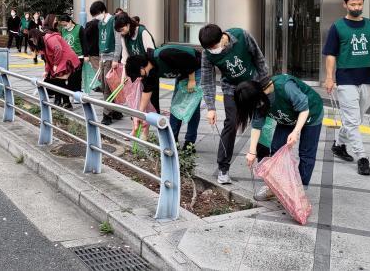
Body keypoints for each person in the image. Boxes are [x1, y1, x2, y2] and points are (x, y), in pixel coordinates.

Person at [323, 0, 370, 176]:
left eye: (359, 4)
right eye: (353, 4)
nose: (357, 7)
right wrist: (329, 78)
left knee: (356, 119)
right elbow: (331, 55)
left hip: (366, 78)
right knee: (352, 120)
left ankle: (339, 145)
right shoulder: (337, 27)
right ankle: (362, 158)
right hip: (346, 79)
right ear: (345, 4)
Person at [199, 24, 270, 184]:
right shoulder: (207, 54)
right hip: (231, 88)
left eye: (213, 47)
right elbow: (207, 80)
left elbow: (258, 58)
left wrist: (265, 83)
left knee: (261, 123)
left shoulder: (241, 36)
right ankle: (223, 169)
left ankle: (264, 165)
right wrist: (210, 107)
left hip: (253, 84)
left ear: (222, 38)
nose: (212, 51)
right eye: (208, 49)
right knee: (231, 123)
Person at [238, 75, 324, 200]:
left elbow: (304, 109)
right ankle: (274, 186)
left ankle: (299, 191)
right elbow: (257, 126)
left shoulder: (285, 87)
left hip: (311, 113)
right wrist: (251, 152)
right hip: (287, 118)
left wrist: (295, 132)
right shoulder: (258, 100)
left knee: (306, 153)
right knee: (276, 148)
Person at [126, 45, 201, 150]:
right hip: (182, 72)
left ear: (141, 67)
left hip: (195, 67)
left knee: (192, 106)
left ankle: (189, 143)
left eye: (138, 74)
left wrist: (192, 80)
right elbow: (147, 91)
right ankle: (172, 140)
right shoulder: (149, 72)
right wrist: (139, 114)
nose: (139, 77)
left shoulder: (164, 55)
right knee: (176, 105)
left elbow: (190, 60)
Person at [26, 15, 80, 109]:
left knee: (58, 80)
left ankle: (64, 102)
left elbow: (58, 49)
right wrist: (46, 71)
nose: (33, 42)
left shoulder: (49, 38)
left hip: (67, 60)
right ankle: (65, 102)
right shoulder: (43, 42)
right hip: (62, 60)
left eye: (33, 40)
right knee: (58, 81)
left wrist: (55, 64)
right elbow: (47, 59)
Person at [89, 0, 123, 125]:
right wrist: (100, 58)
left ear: (103, 11)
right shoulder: (100, 23)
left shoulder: (113, 21)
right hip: (103, 58)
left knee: (108, 87)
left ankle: (107, 115)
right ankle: (116, 111)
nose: (95, 17)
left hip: (111, 58)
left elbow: (118, 42)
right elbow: (100, 41)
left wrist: (115, 59)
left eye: (96, 14)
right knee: (105, 86)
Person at [58, 14, 87, 97]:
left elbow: (84, 42)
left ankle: (77, 93)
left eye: (65, 24)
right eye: (63, 25)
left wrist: (86, 55)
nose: (64, 27)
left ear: (70, 21)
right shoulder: (63, 30)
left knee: (77, 76)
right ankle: (71, 93)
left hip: (78, 56)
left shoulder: (79, 28)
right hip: (67, 58)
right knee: (69, 77)